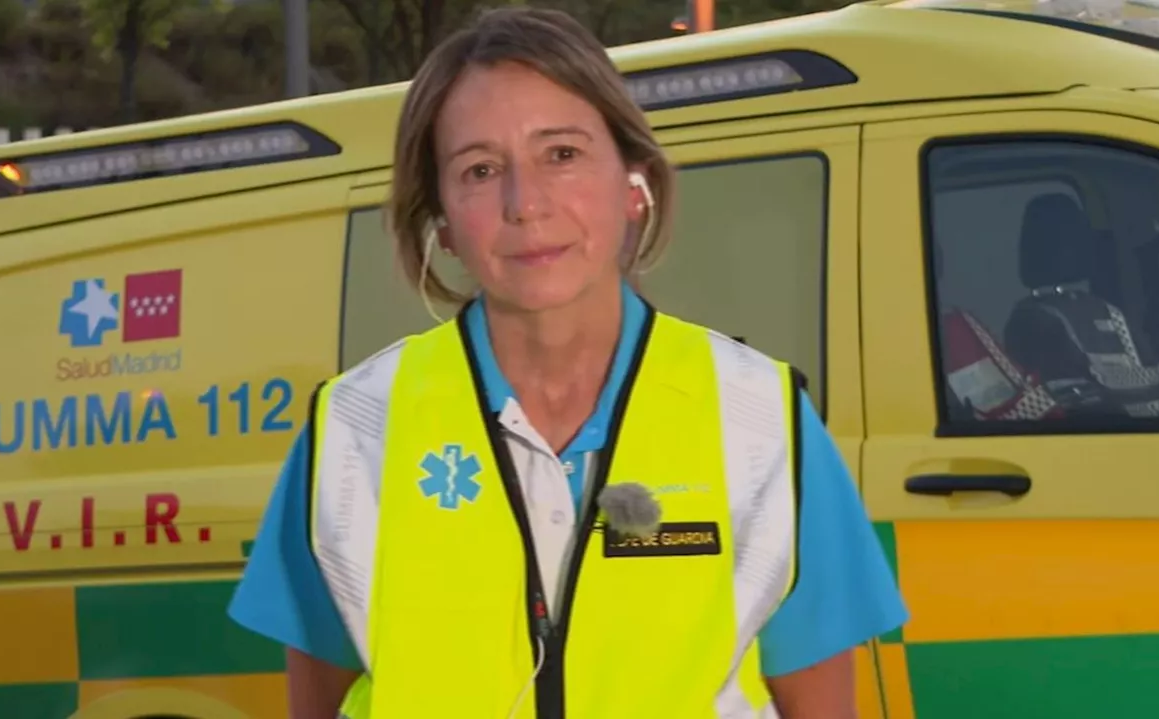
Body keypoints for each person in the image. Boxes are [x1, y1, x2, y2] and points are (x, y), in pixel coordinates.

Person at [227, 7, 907, 719]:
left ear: (633, 181)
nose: (527, 204)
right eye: (481, 169)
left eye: (563, 154)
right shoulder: (354, 430)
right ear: (444, 224)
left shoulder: (763, 418)